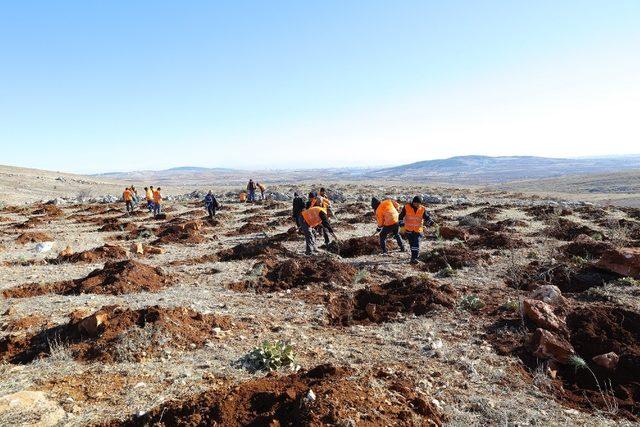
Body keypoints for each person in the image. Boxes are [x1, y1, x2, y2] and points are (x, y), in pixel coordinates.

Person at [399, 196, 435, 264]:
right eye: (416, 203)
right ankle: (413, 256)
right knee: (412, 244)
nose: (417, 205)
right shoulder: (406, 207)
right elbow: (400, 216)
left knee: (416, 243)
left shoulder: (422, 209)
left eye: (419, 203)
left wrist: (432, 223)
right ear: (413, 202)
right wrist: (401, 224)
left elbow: (426, 217)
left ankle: (414, 258)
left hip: (418, 230)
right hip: (409, 229)